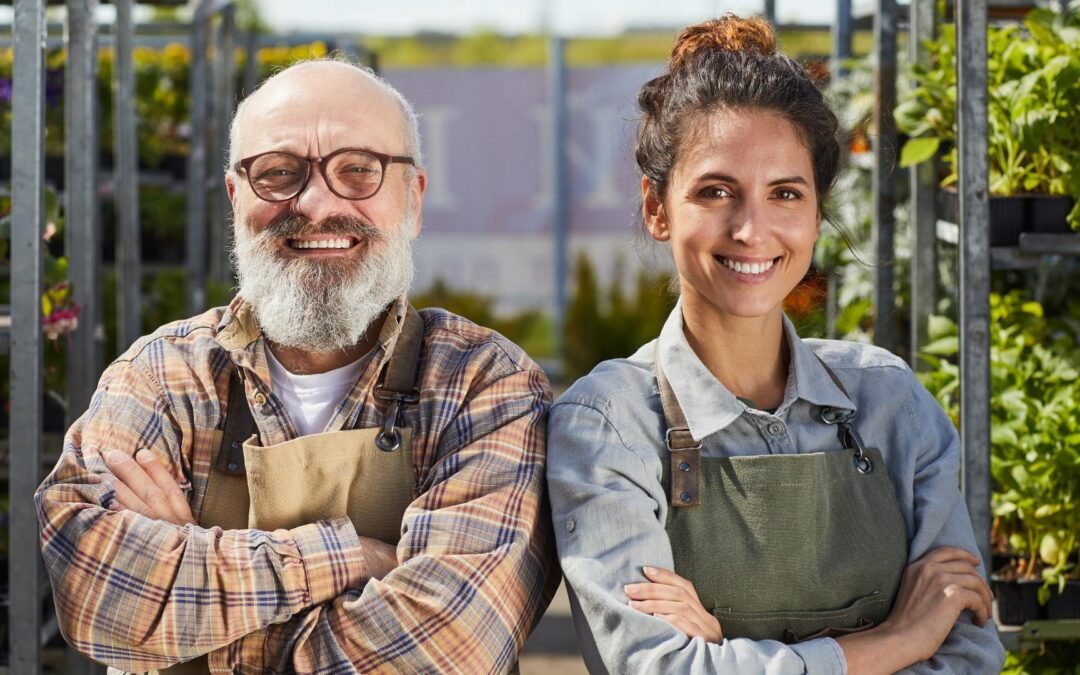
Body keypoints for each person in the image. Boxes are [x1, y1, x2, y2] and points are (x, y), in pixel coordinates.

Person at [36, 59, 557, 674]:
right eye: (278, 173)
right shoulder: (163, 374)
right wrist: (358, 557)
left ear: (413, 199)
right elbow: (95, 596)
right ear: (235, 198)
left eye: (358, 171)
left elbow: (446, 651)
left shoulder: (483, 384)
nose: (314, 204)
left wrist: (193, 611)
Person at [546, 15, 1006, 674]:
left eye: (785, 193)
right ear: (657, 207)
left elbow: (967, 655)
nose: (750, 228)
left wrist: (722, 654)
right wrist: (895, 642)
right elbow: (658, 667)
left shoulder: (888, 399)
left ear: (817, 214)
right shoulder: (607, 422)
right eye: (715, 191)